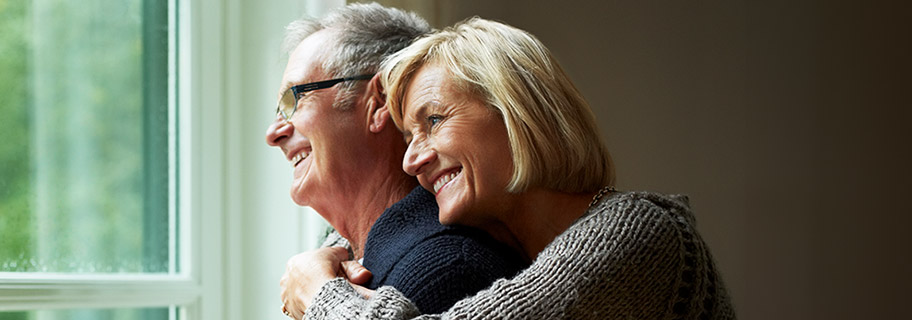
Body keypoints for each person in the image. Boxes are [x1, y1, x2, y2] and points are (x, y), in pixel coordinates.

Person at [280, 18, 736, 319]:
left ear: (516, 112)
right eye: (409, 135)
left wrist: (321, 292)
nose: (411, 159)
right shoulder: (526, 251)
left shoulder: (638, 232)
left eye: (433, 120)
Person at [266, 4, 530, 319]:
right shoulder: (337, 261)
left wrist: (320, 297)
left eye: (294, 98)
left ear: (377, 102)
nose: (273, 133)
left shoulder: (444, 268)